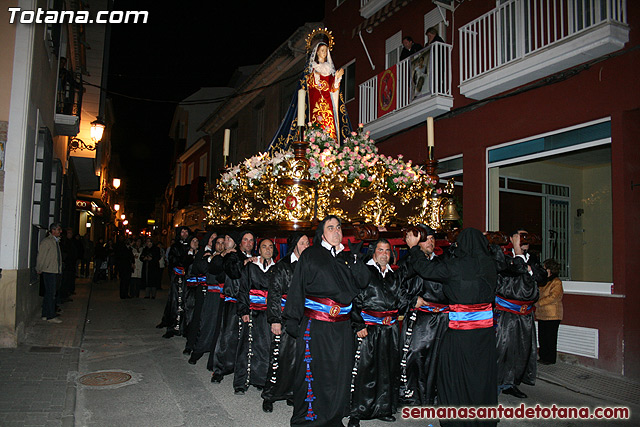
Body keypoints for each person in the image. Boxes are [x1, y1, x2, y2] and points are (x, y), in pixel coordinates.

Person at [405, 228, 499, 427]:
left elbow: (426, 269)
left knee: (455, 374)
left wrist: (413, 248)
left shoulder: (457, 266)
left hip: (461, 333)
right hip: (485, 334)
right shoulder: (490, 264)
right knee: (481, 375)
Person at [282, 216, 370, 427]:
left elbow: (363, 284)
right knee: (314, 373)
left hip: (342, 327)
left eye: (339, 227)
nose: (336, 231)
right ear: (322, 233)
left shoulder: (348, 257)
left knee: (339, 374)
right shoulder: (311, 255)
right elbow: (297, 288)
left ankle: (333, 418)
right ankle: (310, 419)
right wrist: (292, 320)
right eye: (330, 228)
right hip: (316, 325)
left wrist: (356, 257)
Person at [349, 238, 405, 426]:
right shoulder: (365, 272)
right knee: (364, 371)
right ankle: (357, 412)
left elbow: (400, 300)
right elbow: (353, 300)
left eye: (387, 251)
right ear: (374, 253)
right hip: (368, 329)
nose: (384, 254)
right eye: (380, 250)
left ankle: (383, 408)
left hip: (389, 330)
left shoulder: (393, 275)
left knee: (387, 370)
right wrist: (359, 325)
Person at [397, 225, 449, 406]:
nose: (431, 242)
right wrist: (412, 300)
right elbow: (395, 288)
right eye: (427, 238)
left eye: (433, 238)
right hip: (420, 319)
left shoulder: (442, 262)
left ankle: (434, 396)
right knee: (415, 356)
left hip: (442, 318)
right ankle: (411, 396)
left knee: (439, 359)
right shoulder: (407, 262)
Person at [494, 229, 546, 399]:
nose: (524, 240)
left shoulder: (532, 258)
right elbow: (511, 270)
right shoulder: (504, 256)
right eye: (521, 236)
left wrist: (528, 267)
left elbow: (543, 276)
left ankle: (511, 383)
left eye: (527, 237)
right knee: (502, 349)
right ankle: (494, 383)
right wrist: (517, 253)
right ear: (512, 238)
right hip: (506, 313)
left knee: (521, 350)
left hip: (526, 315)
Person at [262, 233, 310, 413]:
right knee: (279, 357)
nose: (306, 245)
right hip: (283, 318)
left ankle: (291, 393)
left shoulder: (309, 266)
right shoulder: (282, 266)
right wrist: (275, 320)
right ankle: (269, 395)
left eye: (307, 242)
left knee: (298, 358)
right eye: (302, 243)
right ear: (294, 245)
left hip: (303, 319)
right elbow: (274, 294)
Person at [210, 230, 256, 383]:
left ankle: (247, 371)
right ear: (240, 242)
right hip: (233, 301)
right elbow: (234, 272)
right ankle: (219, 370)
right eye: (245, 240)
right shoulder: (233, 255)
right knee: (227, 337)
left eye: (251, 240)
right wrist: (246, 263)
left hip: (251, 303)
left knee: (249, 338)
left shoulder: (258, 257)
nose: (248, 243)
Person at [234, 238, 276, 394]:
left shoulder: (277, 269)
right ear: (259, 249)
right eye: (264, 246)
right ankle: (241, 382)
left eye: (270, 247)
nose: (267, 249)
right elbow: (243, 289)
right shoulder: (251, 267)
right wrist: (244, 310)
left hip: (268, 313)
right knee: (247, 346)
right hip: (252, 311)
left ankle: (260, 379)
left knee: (265, 347)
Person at [189, 234, 226, 365]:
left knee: (221, 326)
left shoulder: (228, 258)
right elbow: (201, 268)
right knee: (207, 323)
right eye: (218, 243)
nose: (221, 246)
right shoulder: (208, 257)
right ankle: (197, 351)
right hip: (211, 296)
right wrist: (211, 258)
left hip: (224, 297)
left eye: (223, 243)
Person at [157, 226, 192, 337]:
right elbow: (174, 261)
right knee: (176, 301)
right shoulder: (175, 247)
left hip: (189, 279)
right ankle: (174, 326)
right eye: (183, 231)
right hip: (178, 278)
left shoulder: (192, 245)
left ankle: (186, 327)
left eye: (186, 231)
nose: (185, 233)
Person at [307, 41, 344, 141]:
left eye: (326, 51)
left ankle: (331, 142)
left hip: (328, 102)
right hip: (317, 101)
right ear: (317, 52)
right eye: (322, 50)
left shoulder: (329, 69)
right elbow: (311, 85)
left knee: (329, 125)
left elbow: (333, 88)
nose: (324, 53)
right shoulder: (314, 68)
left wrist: (337, 78)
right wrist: (318, 80)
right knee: (318, 124)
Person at [536, 258, 563, 365]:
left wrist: (538, 303)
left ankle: (550, 358)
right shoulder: (544, 282)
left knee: (550, 338)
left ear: (550, 269)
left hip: (552, 315)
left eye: (545, 268)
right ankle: (543, 356)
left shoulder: (556, 282)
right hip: (542, 314)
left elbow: (553, 297)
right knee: (542, 337)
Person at [36, 223, 63, 324]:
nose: (60, 232)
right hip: (49, 271)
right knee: (51, 294)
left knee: (49, 293)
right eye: (58, 230)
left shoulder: (56, 242)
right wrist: (39, 268)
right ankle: (51, 316)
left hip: (54, 270)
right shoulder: (47, 242)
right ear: (53, 230)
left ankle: (45, 314)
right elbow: (41, 256)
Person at [182, 236, 203, 355]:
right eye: (193, 241)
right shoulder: (187, 253)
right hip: (189, 286)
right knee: (189, 311)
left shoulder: (201, 253)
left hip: (198, 287)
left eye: (197, 241)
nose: (195, 243)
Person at [59, 228, 77, 303]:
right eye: (69, 233)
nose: (70, 234)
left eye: (71, 233)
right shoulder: (64, 242)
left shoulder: (71, 242)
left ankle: (67, 293)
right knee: (64, 281)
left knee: (69, 279)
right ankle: (63, 296)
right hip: (67, 264)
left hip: (71, 264)